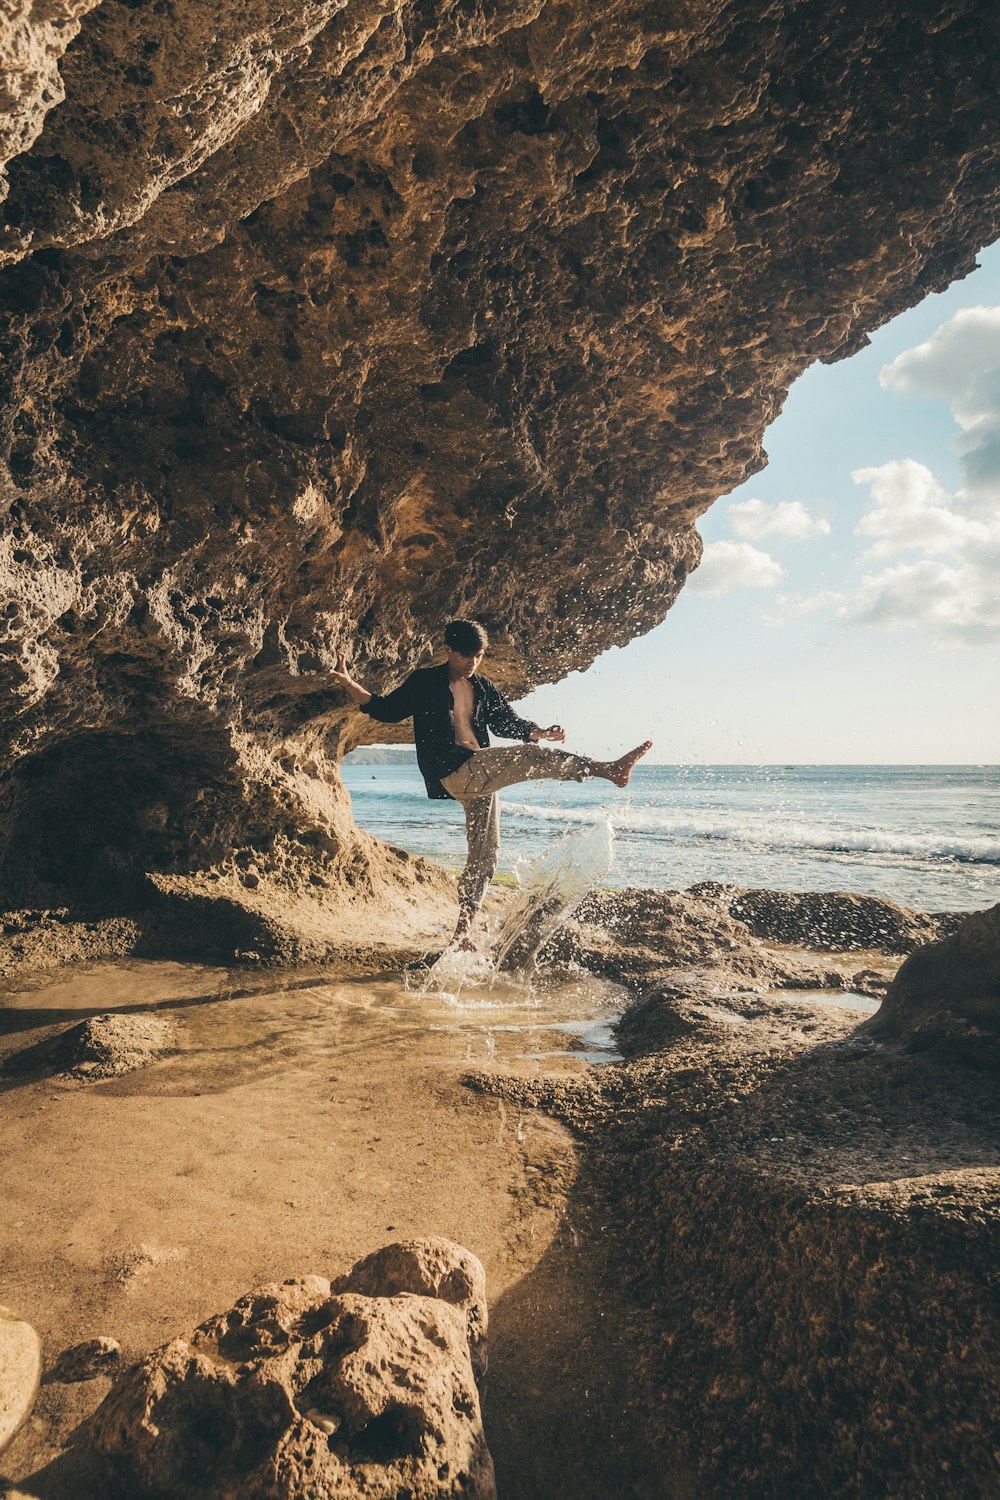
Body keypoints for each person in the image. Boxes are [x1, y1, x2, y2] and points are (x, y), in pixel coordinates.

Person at [330, 620, 652, 945]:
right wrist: (348, 683)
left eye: (479, 656)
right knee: (527, 758)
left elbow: (506, 722)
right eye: (466, 655)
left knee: (485, 855)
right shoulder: (425, 682)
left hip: (479, 774)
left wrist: (538, 732)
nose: (472, 663)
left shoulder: (482, 686)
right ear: (449, 651)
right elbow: (387, 710)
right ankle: (608, 769)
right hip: (454, 771)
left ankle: (463, 933)